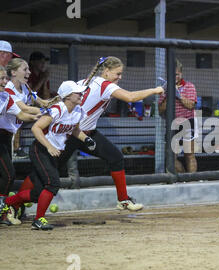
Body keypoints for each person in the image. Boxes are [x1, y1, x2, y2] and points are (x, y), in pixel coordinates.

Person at [47, 56, 164, 211]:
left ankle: (123, 200)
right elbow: (130, 97)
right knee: (48, 169)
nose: (120, 77)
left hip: (86, 134)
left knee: (115, 157)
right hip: (69, 135)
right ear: (107, 71)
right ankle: (15, 202)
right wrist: (155, 90)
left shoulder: (87, 81)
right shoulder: (105, 85)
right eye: (118, 73)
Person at [0, 81, 92, 230]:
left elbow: (74, 129)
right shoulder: (57, 110)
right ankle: (38, 220)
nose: (81, 94)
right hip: (41, 150)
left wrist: (86, 139)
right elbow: (36, 128)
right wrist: (49, 146)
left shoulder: (77, 111)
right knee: (53, 183)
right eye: (77, 92)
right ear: (68, 96)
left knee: (37, 194)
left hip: (53, 153)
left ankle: (7, 203)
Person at [0, 66, 40, 225]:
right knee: (9, 174)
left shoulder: (5, 96)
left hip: (4, 138)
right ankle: (3, 209)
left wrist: (41, 115)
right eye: (1, 79)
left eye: (5, 78)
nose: (5, 82)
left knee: (7, 175)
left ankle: (3, 212)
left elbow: (22, 114)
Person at [158, 59, 198, 173]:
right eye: (172, 75)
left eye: (177, 74)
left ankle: (192, 181)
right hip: (172, 124)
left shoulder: (189, 86)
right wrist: (169, 94)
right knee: (171, 158)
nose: (175, 76)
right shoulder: (165, 88)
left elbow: (191, 105)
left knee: (189, 154)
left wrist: (178, 95)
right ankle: (184, 178)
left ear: (181, 73)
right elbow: (160, 110)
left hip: (187, 122)